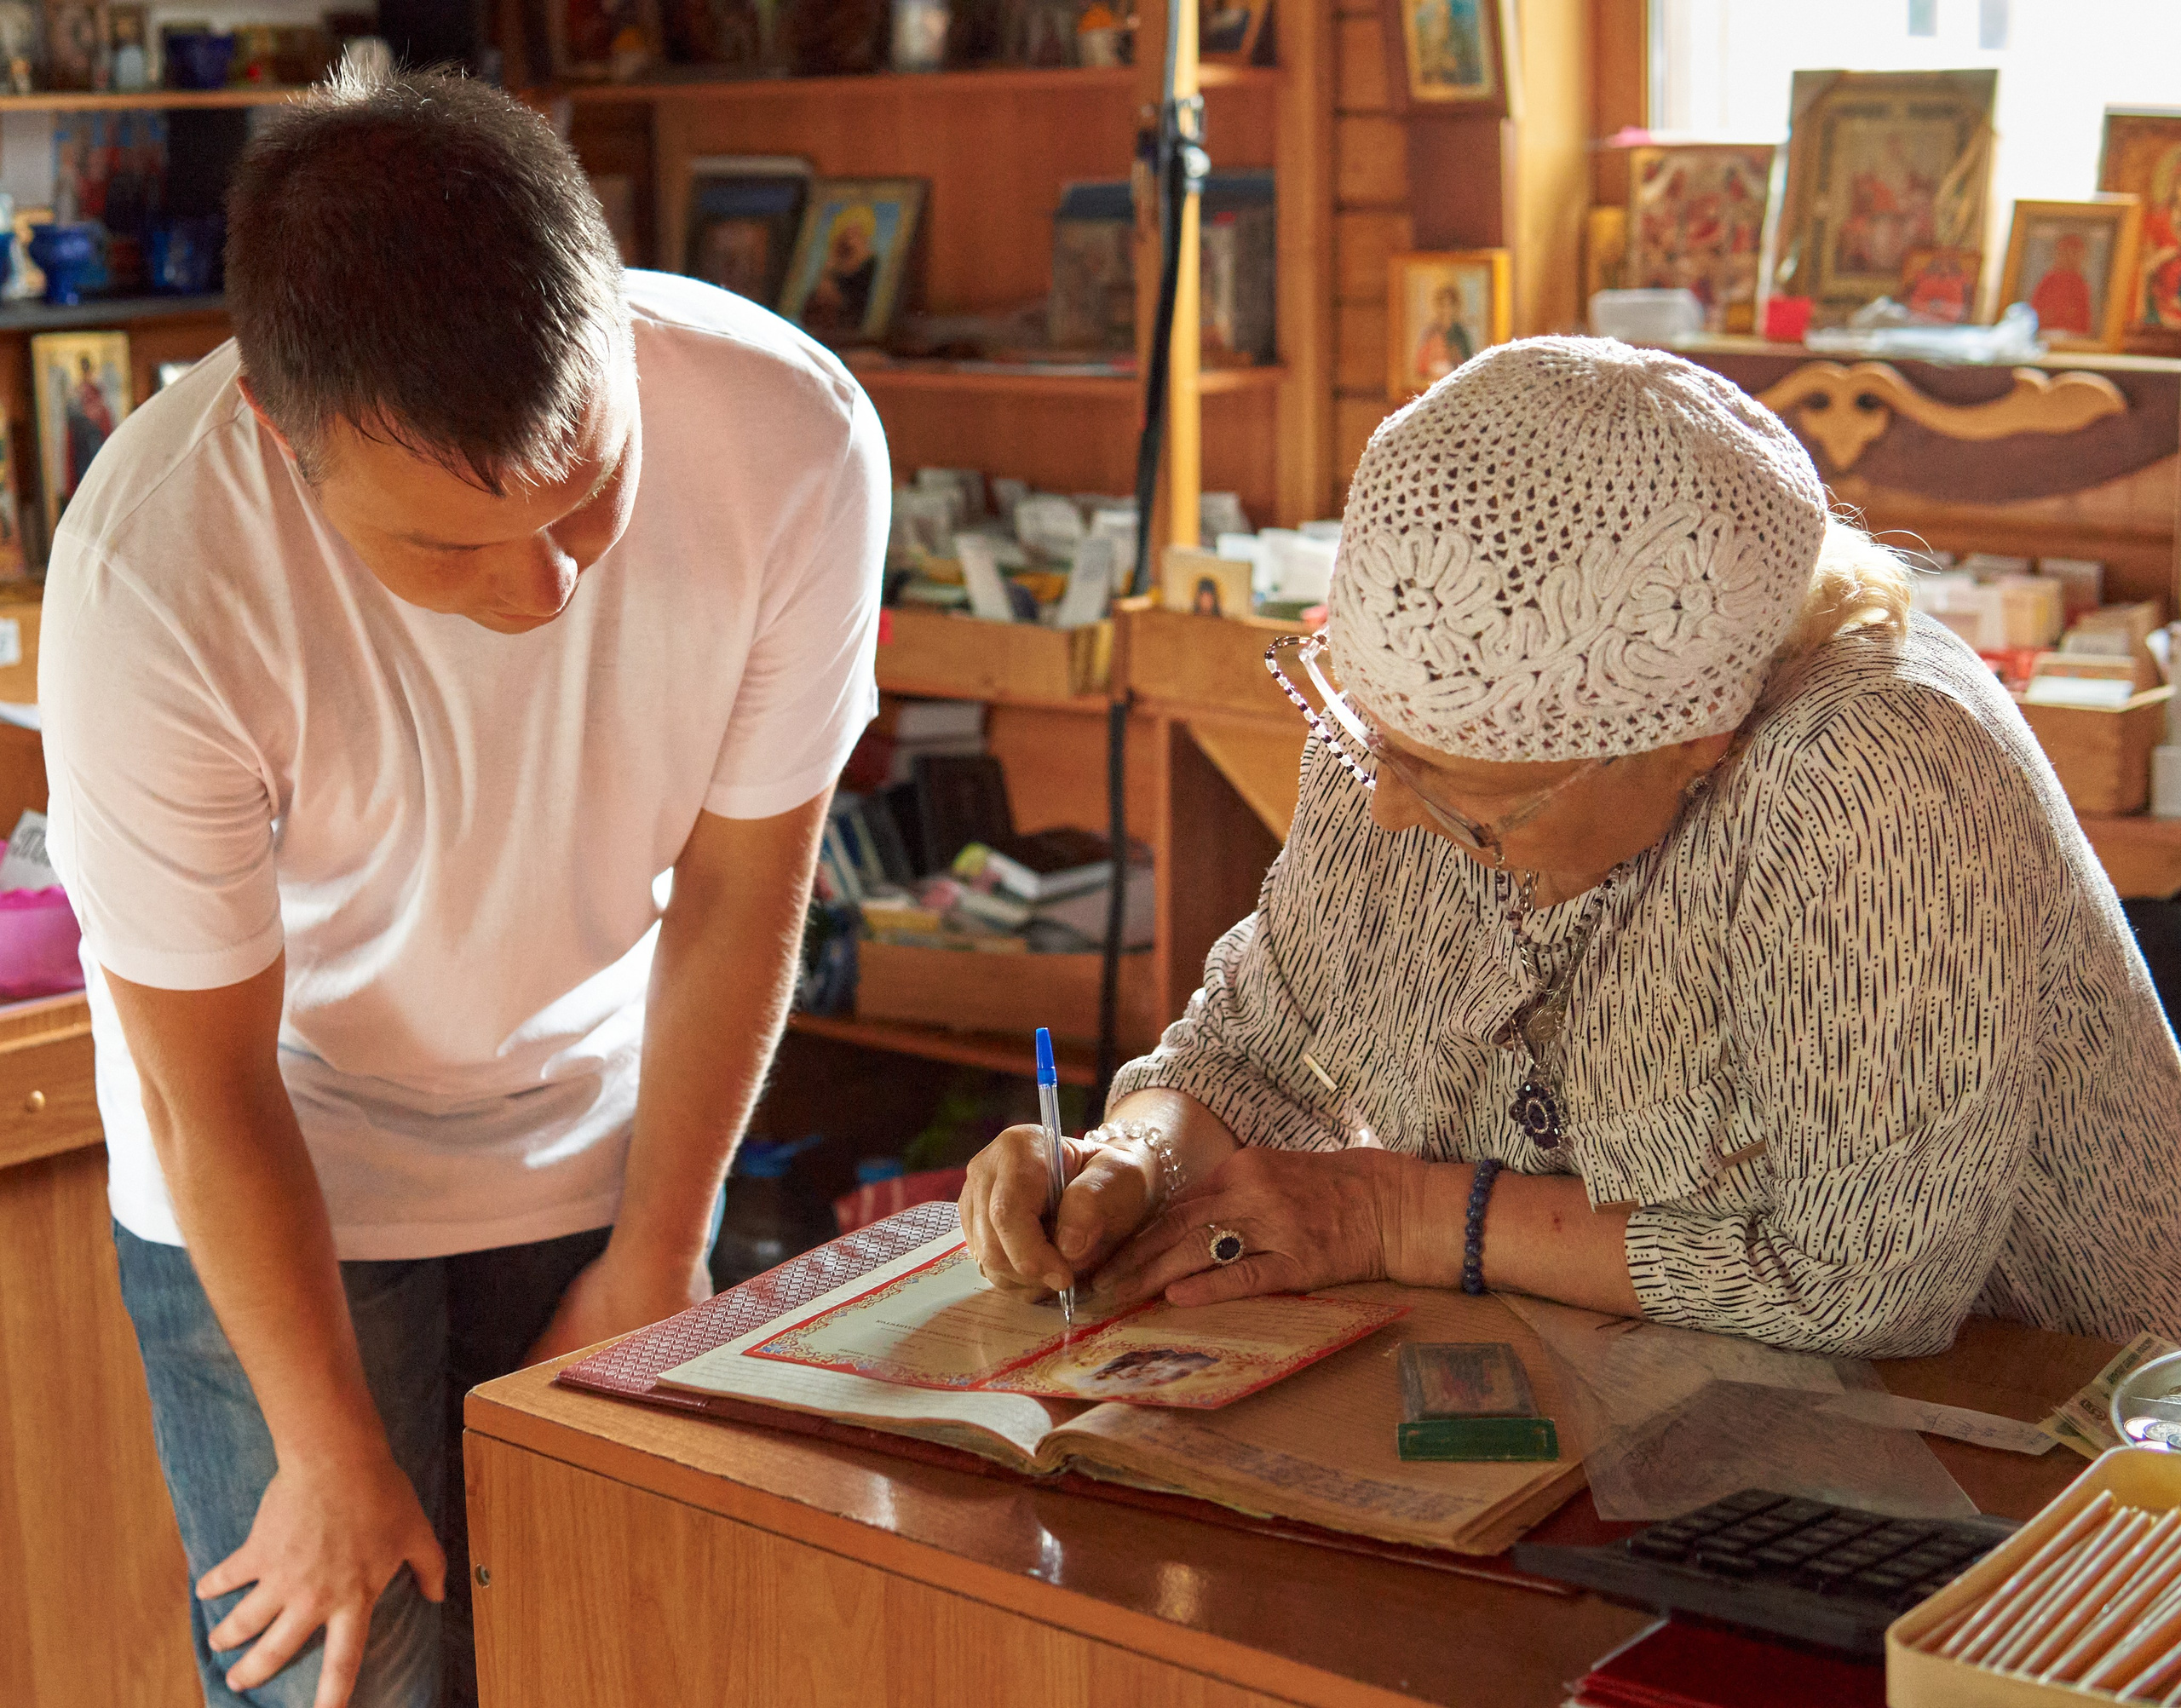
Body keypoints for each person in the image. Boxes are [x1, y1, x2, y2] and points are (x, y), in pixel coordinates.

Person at [40, 69, 886, 1708]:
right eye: (448, 549)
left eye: (587, 500)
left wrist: (663, 1244)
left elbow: (738, 892)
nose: (546, 585)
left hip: (594, 1123)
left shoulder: (789, 439)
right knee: (352, 1680)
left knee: (595, 1652)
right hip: (277, 1163)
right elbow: (205, 1081)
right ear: (283, 445)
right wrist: (324, 1444)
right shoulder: (153, 576)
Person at [963, 336, 2181, 1364]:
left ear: (1693, 744)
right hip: (1667, 1405)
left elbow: (1867, 1283)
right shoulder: (1420, 726)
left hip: (2068, 1451)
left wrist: (1407, 1216)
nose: (1385, 807)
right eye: (1376, 741)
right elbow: (1265, 1048)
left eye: (1465, 791)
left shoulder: (1873, 767)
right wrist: (1134, 1158)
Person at [2029, 231, 2096, 336]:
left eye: (2074, 253)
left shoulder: (2080, 284)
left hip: (2073, 337)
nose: (2069, 258)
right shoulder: (2048, 281)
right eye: (2064, 253)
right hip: (2046, 333)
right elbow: (2035, 312)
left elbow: (2084, 317)